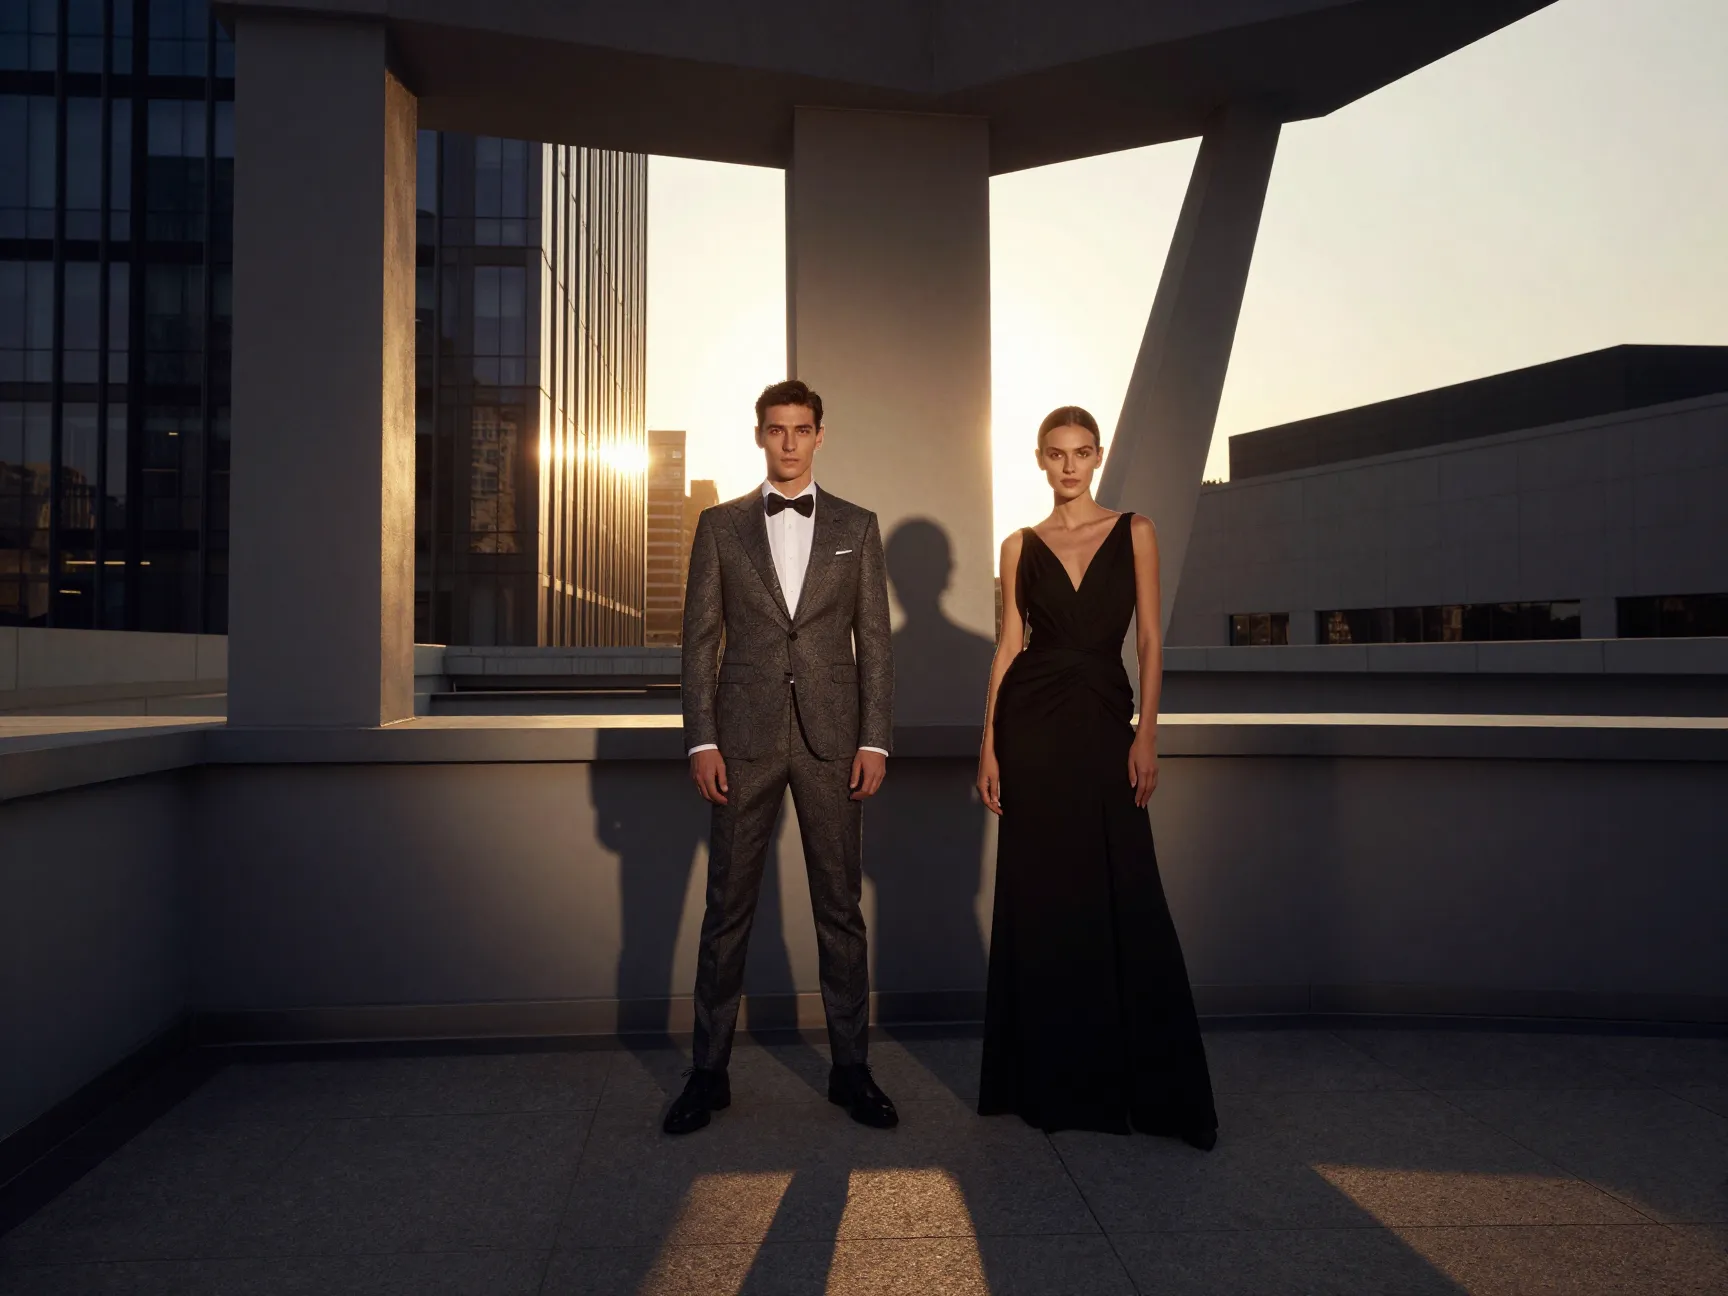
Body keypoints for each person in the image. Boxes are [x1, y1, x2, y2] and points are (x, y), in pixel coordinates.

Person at [976, 405, 1217, 1148]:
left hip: (1106, 722)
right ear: (1040, 461)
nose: (1070, 465)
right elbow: (1010, 643)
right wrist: (988, 743)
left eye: (1082, 452)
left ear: (1098, 455)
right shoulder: (1020, 546)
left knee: (1125, 889)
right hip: (1033, 729)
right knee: (1044, 896)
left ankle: (1143, 1085)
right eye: (1057, 454)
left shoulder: (1134, 530)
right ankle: (1051, 1080)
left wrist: (1147, 730)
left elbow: (1148, 638)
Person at [667, 378, 899, 1135]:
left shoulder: (858, 527)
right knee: (726, 908)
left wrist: (875, 738)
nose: (790, 442)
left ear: (820, 435)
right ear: (760, 436)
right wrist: (701, 738)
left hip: (835, 741)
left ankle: (851, 1070)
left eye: (802, 429)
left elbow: (876, 644)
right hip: (742, 740)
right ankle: (708, 1074)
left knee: (840, 908)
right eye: (777, 430)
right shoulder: (720, 526)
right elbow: (700, 641)